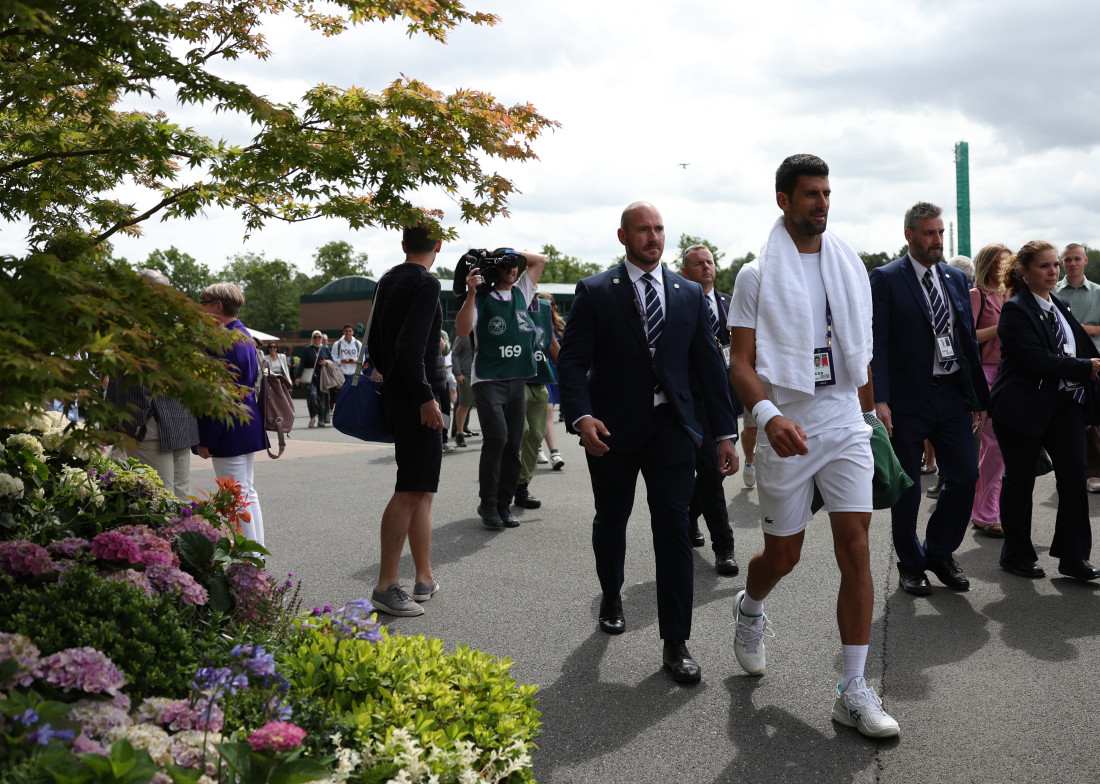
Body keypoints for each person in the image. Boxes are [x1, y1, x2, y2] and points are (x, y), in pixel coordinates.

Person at [727, 154, 897, 738]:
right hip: (788, 425)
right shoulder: (755, 276)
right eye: (809, 194)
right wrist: (768, 414)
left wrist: (872, 411)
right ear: (783, 200)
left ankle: (852, 688)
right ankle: (750, 610)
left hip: (845, 419)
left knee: (856, 546)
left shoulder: (848, 267)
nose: (821, 203)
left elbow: (858, 349)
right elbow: (741, 363)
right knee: (784, 557)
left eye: (826, 193)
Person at [557, 201, 738, 684]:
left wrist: (724, 433)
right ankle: (612, 594)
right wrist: (581, 416)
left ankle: (676, 641)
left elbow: (708, 367)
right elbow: (572, 363)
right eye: (643, 230)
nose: (653, 237)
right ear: (623, 236)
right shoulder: (596, 291)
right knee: (611, 517)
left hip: (673, 429)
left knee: (674, 530)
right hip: (611, 430)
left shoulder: (687, 293)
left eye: (659, 229)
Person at [870, 202, 988, 596]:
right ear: (909, 235)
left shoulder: (955, 278)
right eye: (929, 233)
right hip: (906, 400)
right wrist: (880, 400)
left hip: (951, 394)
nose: (937, 240)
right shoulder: (886, 279)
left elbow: (967, 340)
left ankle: (938, 551)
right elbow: (879, 344)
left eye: (939, 233)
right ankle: (911, 563)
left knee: (966, 476)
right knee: (908, 487)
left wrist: (977, 398)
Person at [990, 241, 1100, 581]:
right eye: (1045, 266)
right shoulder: (1015, 310)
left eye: (1055, 265)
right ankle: (1016, 554)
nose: (1054, 271)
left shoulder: (1061, 305)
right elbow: (1036, 360)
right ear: (1025, 271)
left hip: (1064, 406)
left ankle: (1073, 557)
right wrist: (1086, 367)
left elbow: (1079, 346)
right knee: (1020, 480)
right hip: (1021, 408)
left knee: (1074, 477)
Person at [365, 224, 446, 616]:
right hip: (418, 398)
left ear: (403, 245)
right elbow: (409, 347)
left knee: (422, 489)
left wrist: (400, 383)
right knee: (411, 489)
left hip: (399, 395)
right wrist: (426, 397)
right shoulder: (426, 283)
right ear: (439, 246)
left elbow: (378, 346)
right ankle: (386, 585)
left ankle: (424, 576)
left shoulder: (387, 279)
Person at [454, 248, 548, 530]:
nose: (512, 269)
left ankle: (505, 503)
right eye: (505, 266)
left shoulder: (523, 291)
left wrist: (502, 252)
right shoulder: (482, 298)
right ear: (495, 271)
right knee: (497, 439)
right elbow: (460, 331)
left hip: (516, 380)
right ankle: (488, 502)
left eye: (515, 265)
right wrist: (470, 292)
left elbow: (539, 260)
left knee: (513, 445)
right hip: (488, 380)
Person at [106, 269, 200, 500]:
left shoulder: (135, 329)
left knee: (157, 498)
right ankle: (183, 536)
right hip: (181, 422)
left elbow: (137, 387)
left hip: (152, 425)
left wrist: (134, 427)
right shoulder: (181, 328)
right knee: (180, 497)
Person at [679, 244, 739, 576]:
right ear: (685, 271)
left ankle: (689, 516)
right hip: (695, 402)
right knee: (712, 472)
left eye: (710, 262)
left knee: (716, 471)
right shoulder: (680, 304)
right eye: (698, 264)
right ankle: (725, 548)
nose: (706, 267)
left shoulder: (730, 304)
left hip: (727, 401)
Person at [194, 282, 269, 545]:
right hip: (246, 418)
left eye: (204, 304)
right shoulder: (244, 334)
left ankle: (248, 563)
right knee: (246, 493)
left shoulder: (223, 339)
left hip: (229, 423)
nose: (201, 309)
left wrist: (206, 439)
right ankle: (255, 555)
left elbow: (218, 394)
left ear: (218, 306)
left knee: (235, 497)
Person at [969, 243, 1012, 536]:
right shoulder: (976, 296)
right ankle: (986, 513)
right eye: (1002, 261)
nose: (1007, 266)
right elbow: (968, 335)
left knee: (1001, 447)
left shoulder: (1011, 295)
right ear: (989, 264)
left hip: (1009, 374)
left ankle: (986, 508)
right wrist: (1001, 326)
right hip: (985, 373)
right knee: (994, 446)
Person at [1053, 243, 1100, 494]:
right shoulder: (1052, 291)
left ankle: (1094, 471)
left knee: (1092, 415)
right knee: (1069, 416)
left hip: (1094, 361)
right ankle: (1075, 469)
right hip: (1062, 362)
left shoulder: (1098, 292)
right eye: (1067, 259)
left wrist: (1082, 329)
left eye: (1077, 259)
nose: (1072, 263)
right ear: (1062, 262)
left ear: (1085, 261)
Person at [515, 295, 561, 509]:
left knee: (535, 434)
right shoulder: (510, 299)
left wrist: (573, 371)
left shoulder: (543, 308)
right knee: (519, 432)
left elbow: (551, 342)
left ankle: (522, 486)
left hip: (539, 381)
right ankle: (502, 487)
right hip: (515, 380)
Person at [538, 291, 566, 470]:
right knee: (544, 410)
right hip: (537, 370)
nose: (549, 307)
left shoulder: (559, 325)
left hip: (554, 369)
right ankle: (541, 447)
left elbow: (561, 348)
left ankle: (553, 452)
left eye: (551, 304)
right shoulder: (532, 321)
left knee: (548, 411)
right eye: (544, 304)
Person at [296, 330, 334, 427]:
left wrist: (326, 362)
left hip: (323, 379)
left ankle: (320, 419)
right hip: (311, 378)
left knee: (323, 399)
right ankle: (313, 416)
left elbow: (332, 361)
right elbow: (302, 364)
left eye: (319, 337)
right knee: (312, 396)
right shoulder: (307, 349)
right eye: (315, 337)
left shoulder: (325, 349)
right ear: (312, 338)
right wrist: (298, 377)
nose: (317, 339)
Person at [450, 333, 476, 447]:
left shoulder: (486, 329)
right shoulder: (464, 334)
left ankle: (488, 434)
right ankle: (459, 433)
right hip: (467, 375)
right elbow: (454, 353)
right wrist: (458, 372)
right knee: (464, 405)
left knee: (486, 406)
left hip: (484, 375)